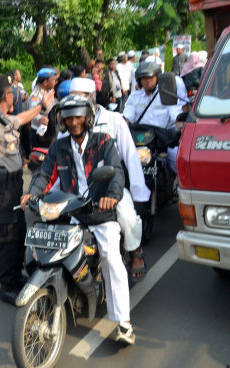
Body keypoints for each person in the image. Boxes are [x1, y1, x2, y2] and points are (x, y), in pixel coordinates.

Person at [21, 94, 135, 345]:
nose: (73, 122)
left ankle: (123, 322)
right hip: (72, 211)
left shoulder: (103, 141)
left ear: (87, 117)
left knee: (110, 257)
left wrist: (112, 197)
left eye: (78, 116)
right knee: (50, 243)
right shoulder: (59, 146)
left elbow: (115, 172)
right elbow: (45, 175)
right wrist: (32, 193)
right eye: (68, 117)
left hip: (99, 211)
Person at [0, 74, 54, 304]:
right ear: (8, 95)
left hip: (13, 184)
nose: (14, 95)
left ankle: (16, 276)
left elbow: (22, 118)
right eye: (12, 92)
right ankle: (7, 286)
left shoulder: (5, 118)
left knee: (17, 232)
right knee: (6, 236)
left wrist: (41, 106)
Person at [62, 78, 148, 280]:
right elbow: (58, 162)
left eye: (80, 99)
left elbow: (129, 156)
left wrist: (138, 191)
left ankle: (135, 251)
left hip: (111, 188)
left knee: (127, 216)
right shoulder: (69, 124)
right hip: (78, 190)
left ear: (92, 97)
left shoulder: (114, 120)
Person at [123, 62, 184, 173]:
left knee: (177, 161)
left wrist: (182, 126)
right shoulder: (134, 96)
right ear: (139, 80)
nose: (147, 81)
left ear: (157, 78)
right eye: (144, 78)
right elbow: (127, 117)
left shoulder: (166, 95)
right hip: (141, 140)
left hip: (162, 139)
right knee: (121, 162)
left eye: (150, 77)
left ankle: (175, 189)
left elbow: (175, 115)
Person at [28, 67, 59, 150]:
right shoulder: (35, 95)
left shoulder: (50, 91)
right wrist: (40, 118)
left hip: (50, 130)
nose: (54, 82)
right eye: (52, 79)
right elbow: (31, 113)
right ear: (45, 82)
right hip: (40, 133)